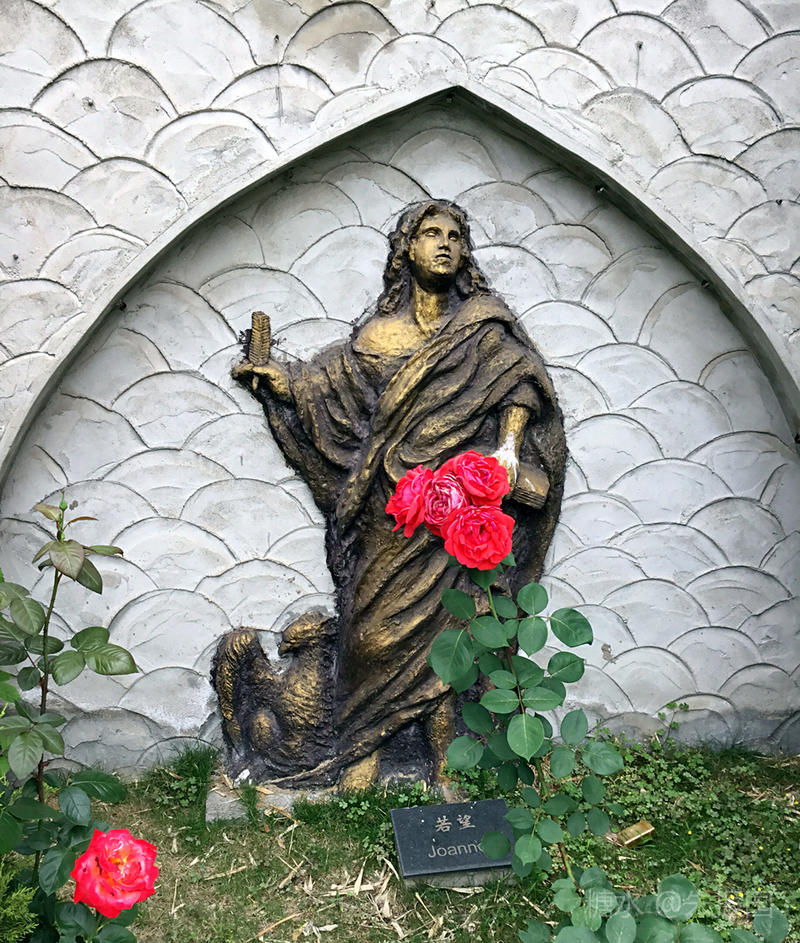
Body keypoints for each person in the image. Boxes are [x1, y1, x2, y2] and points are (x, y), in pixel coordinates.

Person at [225, 200, 566, 787]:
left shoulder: (482, 327)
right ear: (407, 249)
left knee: (449, 637)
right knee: (369, 636)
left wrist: (509, 448)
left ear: (465, 253)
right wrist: (286, 383)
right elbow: (334, 390)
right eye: (431, 233)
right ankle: (361, 758)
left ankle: (445, 765)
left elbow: (520, 380)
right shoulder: (379, 334)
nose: (445, 243)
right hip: (392, 512)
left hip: (458, 512)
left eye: (455, 235)